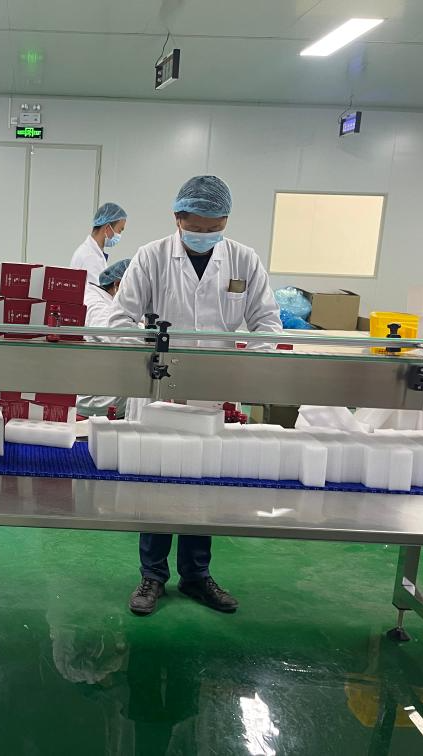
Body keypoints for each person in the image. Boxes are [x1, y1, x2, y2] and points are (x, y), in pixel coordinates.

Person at [110, 175, 282, 617]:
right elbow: (119, 321)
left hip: (213, 394)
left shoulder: (244, 259)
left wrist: (244, 369)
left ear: (226, 220)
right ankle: (152, 575)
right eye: (197, 228)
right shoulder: (151, 257)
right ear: (178, 218)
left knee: (203, 483)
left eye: (214, 228)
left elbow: (267, 323)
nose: (205, 235)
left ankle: (196, 576)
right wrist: (150, 355)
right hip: (158, 390)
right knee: (157, 480)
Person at [77, 258, 131, 419]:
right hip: (97, 409)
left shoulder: (104, 301)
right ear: (118, 285)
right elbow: (115, 335)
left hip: (103, 404)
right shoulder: (98, 306)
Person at [70, 203, 128, 285]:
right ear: (107, 228)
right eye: (119, 230)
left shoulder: (93, 253)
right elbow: (96, 291)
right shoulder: (89, 257)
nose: (119, 235)